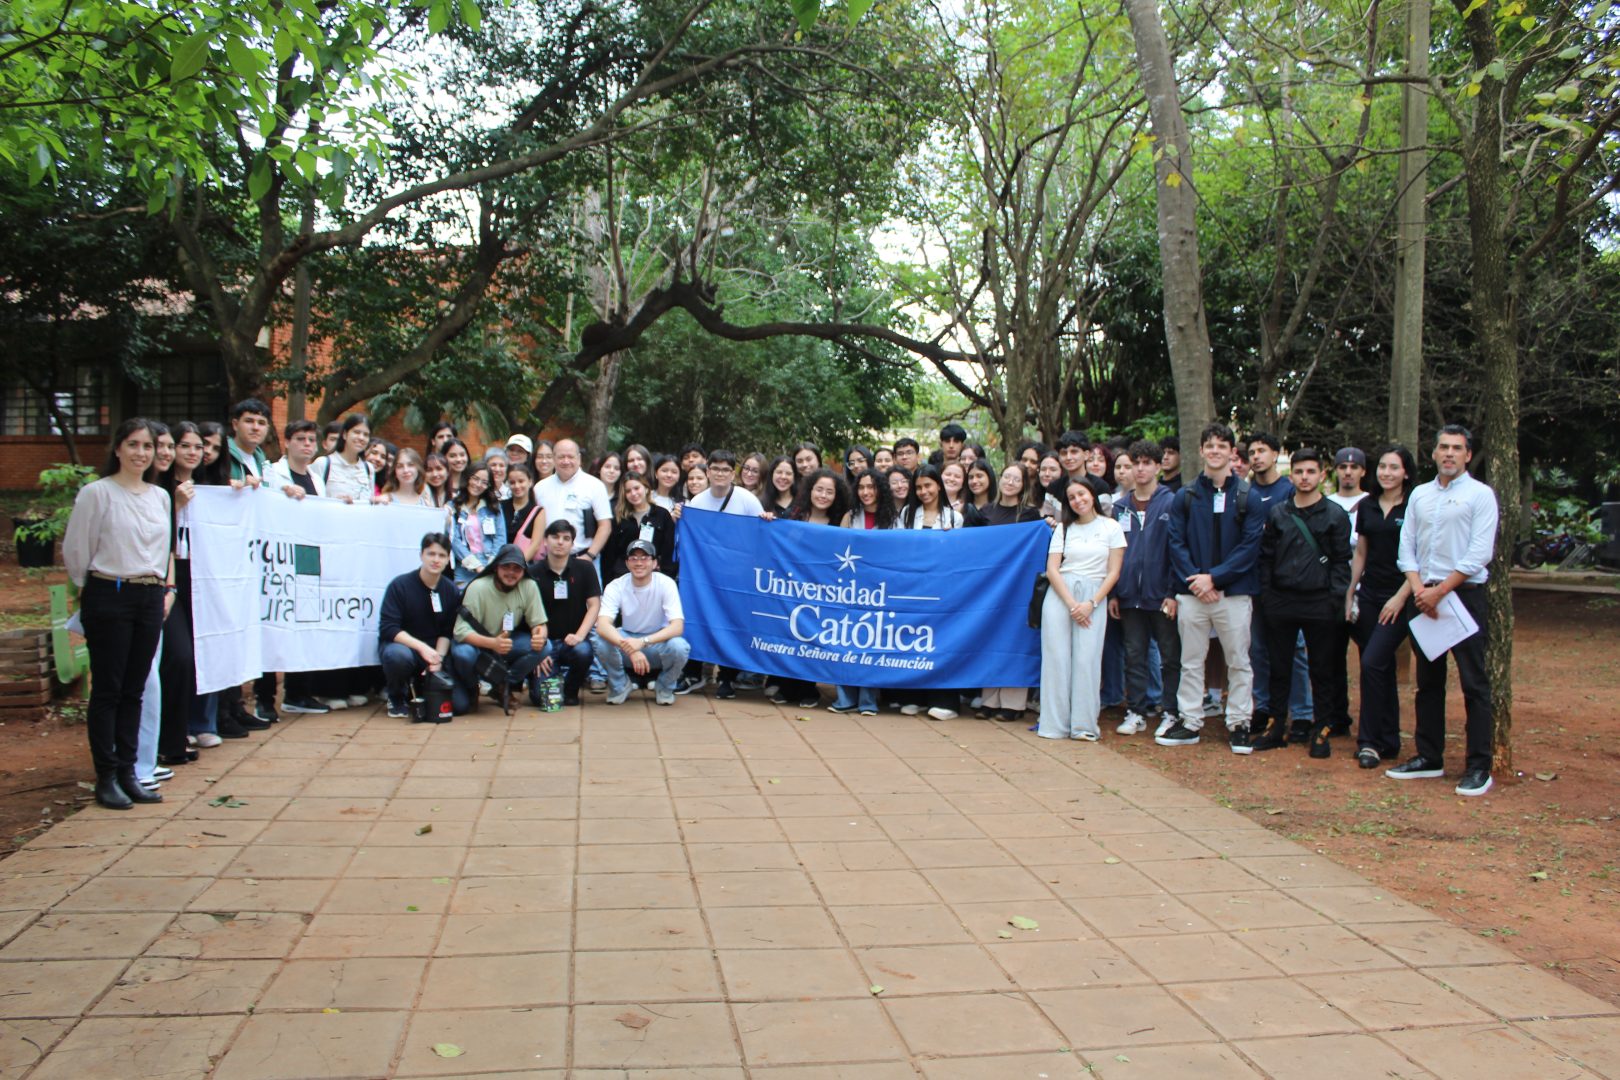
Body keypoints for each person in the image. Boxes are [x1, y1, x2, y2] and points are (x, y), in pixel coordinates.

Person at [63, 418, 173, 809]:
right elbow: (77, 550)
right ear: (118, 448)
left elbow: (164, 550)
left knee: (135, 688)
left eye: (148, 446)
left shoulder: (160, 496)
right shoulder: (98, 493)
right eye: (134, 445)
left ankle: (130, 771)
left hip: (148, 595)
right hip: (109, 593)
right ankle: (106, 776)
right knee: (108, 689)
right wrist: (93, 589)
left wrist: (160, 588)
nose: (142, 453)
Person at [1388, 425, 1498, 796]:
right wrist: (1420, 590)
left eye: (1457, 448)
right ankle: (1428, 756)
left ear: (1468, 455)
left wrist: (1442, 591)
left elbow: (1480, 552)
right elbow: (1407, 549)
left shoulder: (1480, 496)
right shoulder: (1419, 495)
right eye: (1443, 447)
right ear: (1433, 453)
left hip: (1463, 595)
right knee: (1428, 682)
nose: (1449, 453)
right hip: (1424, 597)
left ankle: (1479, 765)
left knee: (1474, 683)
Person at [1161, 423, 1264, 750]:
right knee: (1191, 660)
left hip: (1232, 594)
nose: (1216, 451)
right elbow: (1175, 543)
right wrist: (1197, 580)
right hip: (1192, 593)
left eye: (1223, 445)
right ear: (1201, 450)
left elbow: (1250, 548)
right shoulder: (1186, 495)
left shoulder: (1249, 496)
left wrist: (1215, 578)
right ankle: (1190, 721)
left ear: (1232, 452)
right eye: (1210, 445)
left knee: (1239, 660)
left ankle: (1239, 723)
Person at [1253, 448, 1352, 757]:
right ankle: (1276, 725)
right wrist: (1268, 597)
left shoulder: (1335, 514)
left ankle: (1321, 728)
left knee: (1322, 669)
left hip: (1319, 601)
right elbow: (1266, 558)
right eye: (1299, 472)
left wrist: (1334, 599)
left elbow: (1341, 562)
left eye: (1311, 472)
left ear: (1322, 475)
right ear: (1290, 475)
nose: (1305, 478)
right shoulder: (1279, 513)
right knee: (1278, 668)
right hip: (1281, 600)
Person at [673, 450, 770, 698]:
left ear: (733, 473)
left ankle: (727, 678)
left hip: (737, 577)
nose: (720, 474)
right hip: (705, 576)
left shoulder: (747, 500)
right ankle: (694, 673)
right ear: (707, 472)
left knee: (732, 623)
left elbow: (762, 534)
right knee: (698, 618)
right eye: (715, 469)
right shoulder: (697, 502)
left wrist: (768, 520)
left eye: (726, 469)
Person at [1038, 476, 1126, 740]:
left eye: (1082, 494)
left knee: (1087, 660)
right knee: (1056, 659)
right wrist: (1071, 603)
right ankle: (1054, 724)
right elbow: (1053, 569)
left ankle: (1084, 726)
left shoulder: (1111, 527)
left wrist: (1091, 603)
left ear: (1092, 495)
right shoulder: (1064, 529)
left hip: (1094, 596)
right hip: (1061, 595)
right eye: (1072, 498)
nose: (1078, 501)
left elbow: (1114, 572)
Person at [1347, 445, 1415, 769]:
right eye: (1383, 467)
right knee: (1378, 666)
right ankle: (1389, 740)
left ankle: (1369, 742)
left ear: (1406, 472)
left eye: (1394, 467)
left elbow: (1421, 556)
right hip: (1370, 594)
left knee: (1373, 663)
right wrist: (1350, 592)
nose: (1387, 473)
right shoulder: (1368, 506)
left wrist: (1401, 597)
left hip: (1401, 595)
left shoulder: (1415, 505)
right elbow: (1361, 552)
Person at [1110, 441, 1181, 737]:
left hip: (1161, 593)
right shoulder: (1119, 508)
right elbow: (1113, 553)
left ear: (1158, 466)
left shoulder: (1173, 502)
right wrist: (1114, 592)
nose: (1140, 469)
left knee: (1169, 656)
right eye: (1135, 462)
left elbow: (1179, 549)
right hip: (1128, 596)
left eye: (1146, 463)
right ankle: (1136, 711)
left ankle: (1170, 712)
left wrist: (1173, 592)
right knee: (1134, 654)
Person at [1246, 430, 1314, 740]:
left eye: (1262, 450)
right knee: (1257, 647)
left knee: (1295, 648)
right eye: (1252, 452)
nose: (1256, 456)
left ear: (1276, 455)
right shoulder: (1244, 493)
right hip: (1254, 581)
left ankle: (1301, 713)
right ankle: (1264, 707)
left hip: (1287, 584)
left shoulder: (1289, 491)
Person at [969, 463, 1043, 720]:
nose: (1010, 482)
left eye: (1017, 479)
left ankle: (1013, 704)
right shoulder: (986, 511)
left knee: (1015, 641)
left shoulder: (1031, 515)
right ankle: (990, 700)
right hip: (991, 587)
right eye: (1007, 477)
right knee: (991, 640)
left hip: (1020, 588)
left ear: (1024, 485)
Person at [378, 532, 467, 718]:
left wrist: (438, 658)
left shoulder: (450, 590)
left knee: (458, 706)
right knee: (397, 656)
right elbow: (389, 628)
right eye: (431, 554)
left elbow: (447, 630)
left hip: (435, 653)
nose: (436, 560)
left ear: (447, 559)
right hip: (406, 647)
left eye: (442, 555)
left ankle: (421, 687)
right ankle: (396, 696)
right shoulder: (400, 585)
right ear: (421, 555)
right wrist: (422, 648)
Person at [452, 544, 549, 711]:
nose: (511, 573)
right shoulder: (478, 587)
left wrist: (539, 636)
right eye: (506, 567)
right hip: (475, 643)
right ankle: (471, 686)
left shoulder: (529, 586)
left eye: (516, 569)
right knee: (463, 653)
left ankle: (503, 686)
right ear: (496, 567)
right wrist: (493, 643)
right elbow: (460, 631)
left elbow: (538, 622)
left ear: (523, 571)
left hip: (505, 643)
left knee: (546, 647)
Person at [594, 539, 691, 706]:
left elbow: (677, 626)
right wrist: (631, 648)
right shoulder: (616, 585)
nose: (639, 563)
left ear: (654, 563)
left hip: (655, 642)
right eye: (633, 558)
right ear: (627, 563)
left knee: (680, 647)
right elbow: (602, 625)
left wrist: (643, 642)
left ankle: (665, 687)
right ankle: (620, 686)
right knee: (599, 640)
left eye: (644, 558)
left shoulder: (666, 584)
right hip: (627, 638)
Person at [1323, 447, 1369, 738]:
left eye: (1354, 467)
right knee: (1331, 659)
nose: (1348, 472)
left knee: (1371, 660)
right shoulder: (1326, 503)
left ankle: (1371, 723)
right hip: (1333, 591)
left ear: (1363, 471)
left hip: (1367, 591)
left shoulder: (1372, 503)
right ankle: (1336, 718)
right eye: (1343, 466)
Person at [532, 520, 602, 706]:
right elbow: (529, 613)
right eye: (555, 537)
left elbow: (594, 605)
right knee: (546, 701)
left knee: (584, 651)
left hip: (572, 641)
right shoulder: (533, 572)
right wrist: (538, 652)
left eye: (566, 538)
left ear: (572, 543)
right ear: (545, 541)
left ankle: (571, 691)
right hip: (545, 644)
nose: (560, 542)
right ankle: (550, 682)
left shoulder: (585, 568)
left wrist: (580, 636)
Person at [534, 438, 612, 561]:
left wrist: (590, 555)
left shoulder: (594, 485)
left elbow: (605, 525)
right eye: (561, 457)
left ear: (579, 459)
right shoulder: (540, 488)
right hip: (547, 559)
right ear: (554, 459)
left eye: (570, 456)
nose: (566, 461)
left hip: (583, 557)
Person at [603, 471, 676, 581]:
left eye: (637, 488)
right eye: (628, 491)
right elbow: (610, 554)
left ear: (646, 488)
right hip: (624, 576)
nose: (633, 493)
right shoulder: (619, 518)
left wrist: (667, 577)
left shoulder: (662, 515)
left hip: (655, 574)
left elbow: (669, 550)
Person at [450, 465, 507, 587]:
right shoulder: (453, 506)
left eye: (484, 482)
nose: (478, 484)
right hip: (464, 568)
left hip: (491, 566)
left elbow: (500, 537)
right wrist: (476, 566)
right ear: (467, 478)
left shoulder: (494, 506)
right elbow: (454, 539)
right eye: (475, 478)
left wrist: (490, 565)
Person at [321, 413, 378, 504]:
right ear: (344, 434)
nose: (361, 438)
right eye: (356, 432)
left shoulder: (369, 469)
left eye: (366, 434)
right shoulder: (324, 463)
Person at [503, 462, 544, 560]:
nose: (517, 486)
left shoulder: (538, 512)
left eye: (521, 481)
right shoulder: (501, 507)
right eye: (512, 482)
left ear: (530, 482)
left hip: (523, 564)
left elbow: (535, 545)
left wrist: (517, 566)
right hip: (499, 562)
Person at [226, 398, 271, 485]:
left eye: (261, 423)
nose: (255, 427)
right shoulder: (221, 456)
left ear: (267, 428)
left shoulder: (264, 464)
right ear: (235, 425)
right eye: (249, 421)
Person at [902, 464, 962, 530]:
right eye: (918, 487)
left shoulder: (955, 517)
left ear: (939, 485)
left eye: (927, 485)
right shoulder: (907, 512)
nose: (923, 491)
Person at [960, 459, 996, 525]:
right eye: (971, 477)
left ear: (990, 477)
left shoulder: (999, 508)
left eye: (979, 476)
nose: (974, 481)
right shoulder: (960, 508)